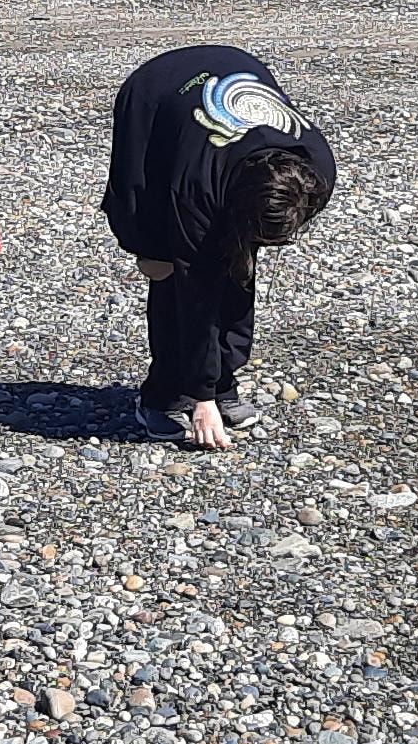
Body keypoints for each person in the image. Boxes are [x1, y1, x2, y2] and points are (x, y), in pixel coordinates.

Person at [101, 44, 336, 449]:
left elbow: (243, 252)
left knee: (237, 266)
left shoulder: (317, 169)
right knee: (170, 271)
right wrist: (201, 397)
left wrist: (215, 386)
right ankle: (164, 395)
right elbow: (196, 294)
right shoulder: (195, 189)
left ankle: (225, 379)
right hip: (155, 95)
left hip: (237, 69)